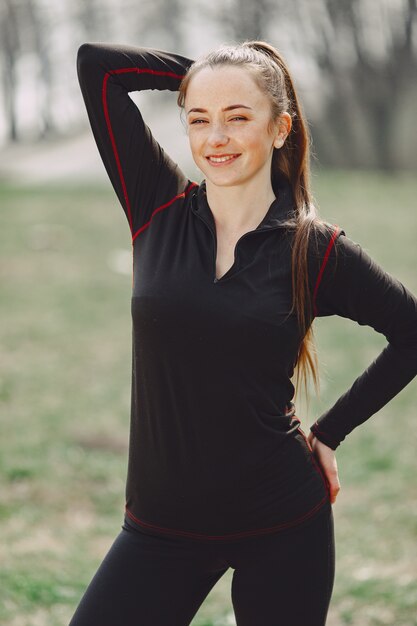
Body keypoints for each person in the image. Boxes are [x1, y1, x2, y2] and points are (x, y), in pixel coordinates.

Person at [71, 40, 417, 626]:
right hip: (160, 528)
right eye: (199, 119)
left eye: (239, 117)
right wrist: (214, 76)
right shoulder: (156, 206)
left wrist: (330, 432)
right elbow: (95, 67)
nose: (216, 137)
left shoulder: (317, 249)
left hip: (282, 521)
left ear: (281, 127)